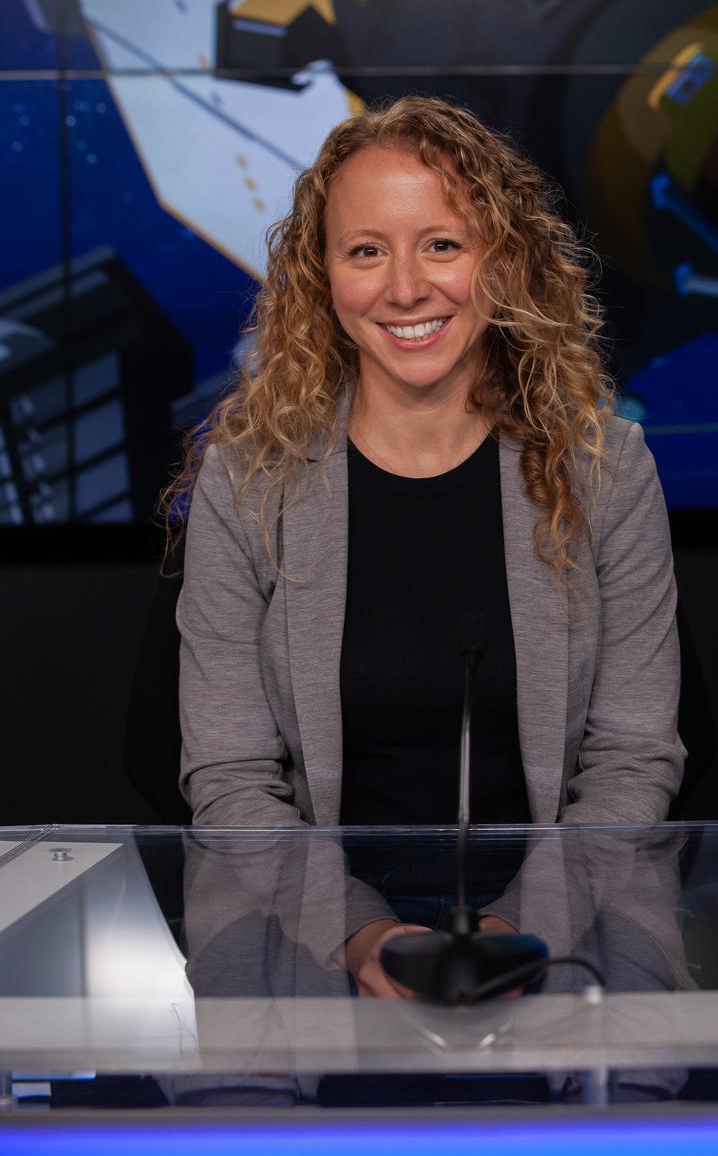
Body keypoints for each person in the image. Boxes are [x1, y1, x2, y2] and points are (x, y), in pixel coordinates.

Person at [166, 95, 684, 996]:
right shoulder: (248, 484)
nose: (406, 287)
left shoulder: (608, 472)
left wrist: (513, 932)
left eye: (442, 244)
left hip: (564, 931)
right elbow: (231, 780)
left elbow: (632, 762)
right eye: (366, 250)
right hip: (309, 933)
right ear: (322, 276)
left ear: (503, 262)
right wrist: (363, 938)